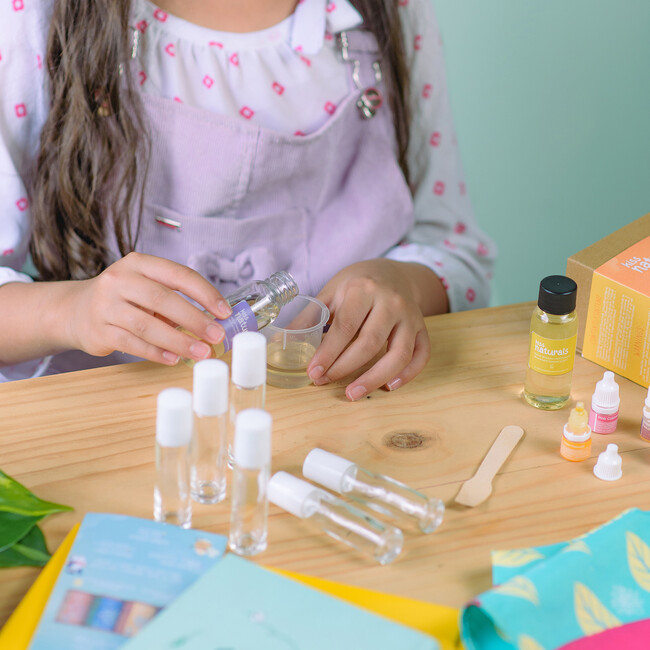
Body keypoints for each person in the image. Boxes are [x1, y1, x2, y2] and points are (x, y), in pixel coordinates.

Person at [0, 0, 495, 399]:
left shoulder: (386, 12)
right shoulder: (36, 17)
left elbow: (456, 253)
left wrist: (399, 283)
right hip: (102, 435)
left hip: (335, 420)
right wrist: (72, 310)